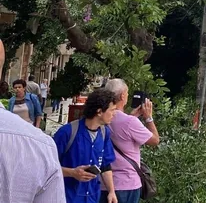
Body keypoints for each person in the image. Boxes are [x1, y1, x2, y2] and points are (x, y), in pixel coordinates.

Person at [0, 39, 66, 202]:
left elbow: (38, 112)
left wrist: (35, 129)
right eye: (15, 88)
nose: (17, 89)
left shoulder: (32, 97)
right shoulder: (13, 101)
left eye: (19, 87)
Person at [54, 88, 119, 203]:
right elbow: (47, 166)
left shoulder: (105, 133)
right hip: (67, 196)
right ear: (99, 112)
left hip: (92, 197)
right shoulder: (67, 132)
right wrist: (72, 173)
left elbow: (105, 165)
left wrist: (111, 191)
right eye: (112, 110)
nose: (115, 114)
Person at [102, 79, 160, 203]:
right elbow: (155, 141)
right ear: (123, 95)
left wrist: (132, 116)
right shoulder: (129, 122)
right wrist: (149, 118)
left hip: (103, 182)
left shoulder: (101, 116)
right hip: (126, 183)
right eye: (127, 93)